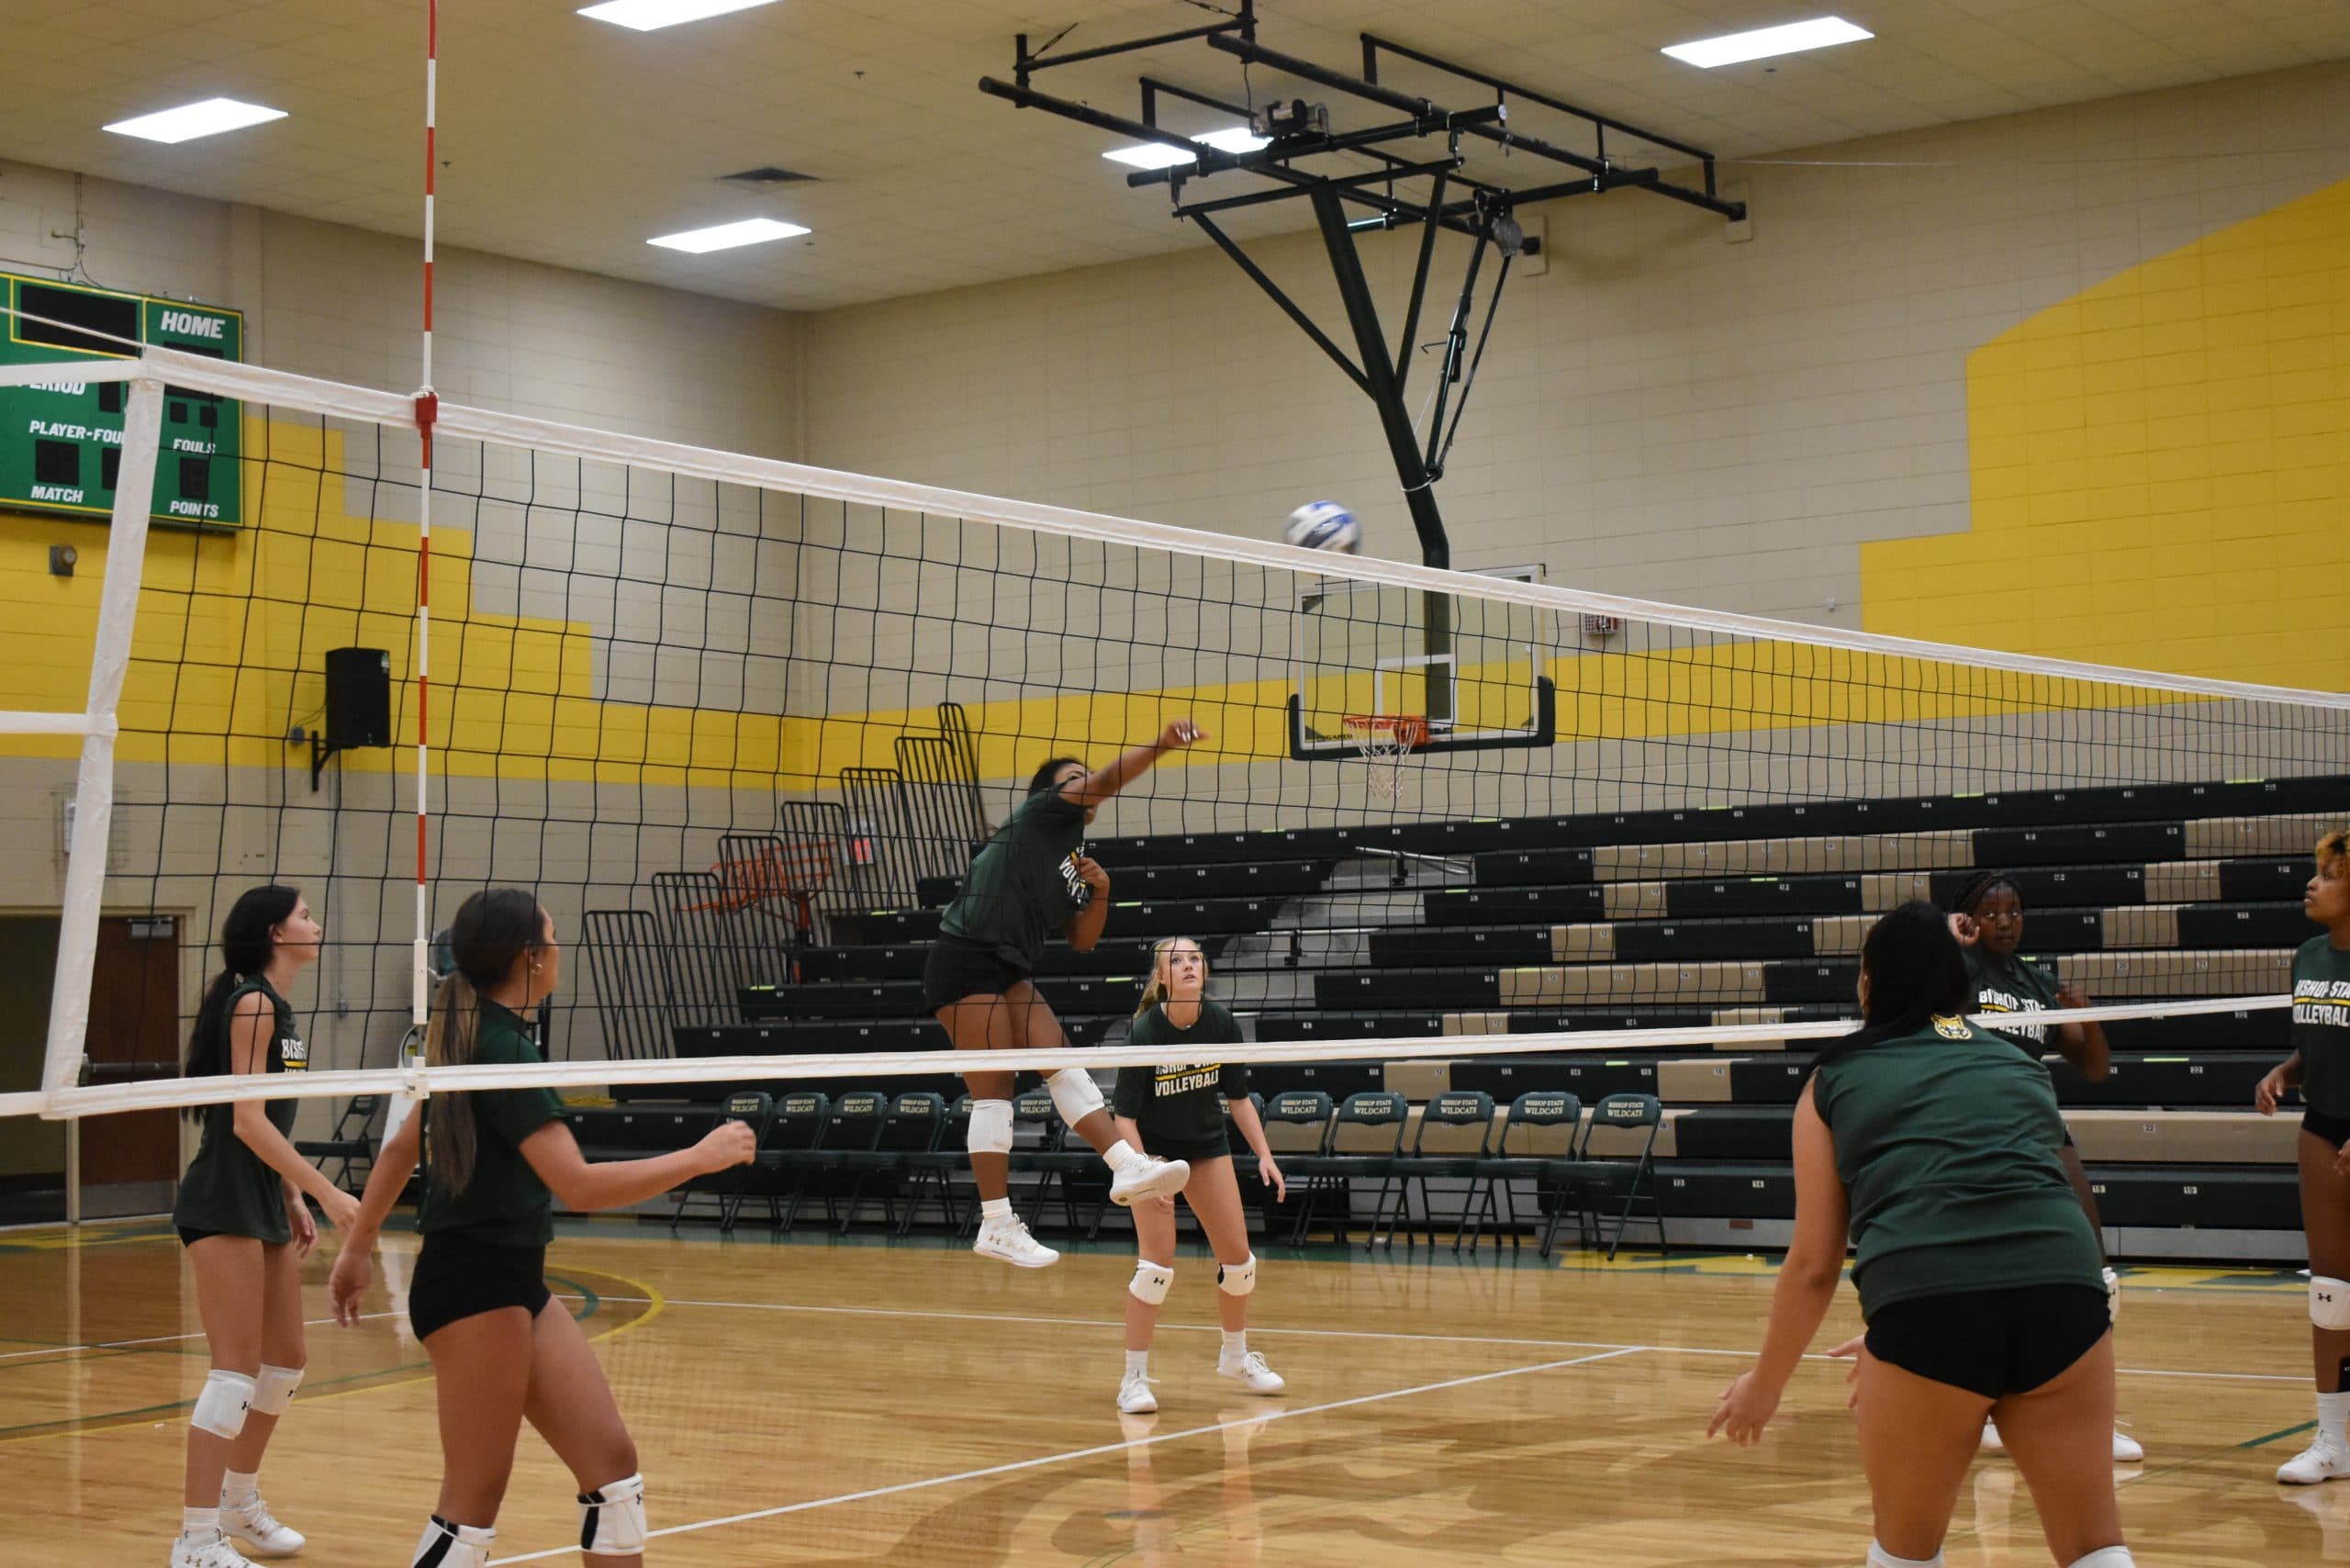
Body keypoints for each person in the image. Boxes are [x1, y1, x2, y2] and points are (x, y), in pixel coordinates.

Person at [328, 888, 755, 1568]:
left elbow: (404, 1146)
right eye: (552, 939)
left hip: (512, 1280)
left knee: (612, 1471)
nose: (560, 952)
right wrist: (700, 1158)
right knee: (470, 1511)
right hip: (473, 1289)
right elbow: (577, 1185)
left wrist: (354, 1252)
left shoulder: (476, 1038)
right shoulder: (502, 1053)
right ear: (530, 958)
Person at [1708, 902, 2133, 1568]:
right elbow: (2014, 1195)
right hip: (2066, 1295)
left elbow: (1816, 1262)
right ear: (1959, 987)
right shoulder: (2019, 1066)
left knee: (1906, 1550)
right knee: (2093, 1548)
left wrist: (1769, 1382)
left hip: (1929, 1310)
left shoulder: (1833, 1078)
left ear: (1870, 984)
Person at [926, 722, 1207, 1268]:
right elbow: (1104, 780)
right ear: (1051, 794)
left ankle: (1126, 1164)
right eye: (1072, 778)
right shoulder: (1039, 817)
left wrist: (1100, 891)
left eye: (1084, 776)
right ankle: (996, 1222)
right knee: (995, 1090)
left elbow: (1082, 939)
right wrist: (1161, 745)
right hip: (964, 955)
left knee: (1062, 1062)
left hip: (1005, 965)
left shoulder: (1071, 857)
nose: (1085, 783)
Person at [169, 885, 362, 1568]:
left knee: (284, 1364)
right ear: (276, 933)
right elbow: (245, 1121)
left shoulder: (283, 1012)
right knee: (234, 1375)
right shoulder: (251, 1002)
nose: (316, 923)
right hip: (222, 1198)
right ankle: (194, 1541)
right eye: (306, 914)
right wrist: (331, 1194)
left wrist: (290, 1193)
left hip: (260, 1195)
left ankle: (235, 1501)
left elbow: (265, 1115)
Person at [1945, 870, 2138, 1462]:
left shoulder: (2036, 982)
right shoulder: (1956, 969)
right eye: (1992, 910)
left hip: (2037, 1121)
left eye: (2015, 911)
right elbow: (1908, 979)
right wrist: (1948, 939)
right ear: (1970, 917)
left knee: (2092, 1264)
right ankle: (1981, 1408)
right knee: (1982, 1273)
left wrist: (2086, 1015)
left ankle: (2089, 1413)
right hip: (1974, 1125)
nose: (2005, 921)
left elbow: (2094, 1068)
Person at [1109, 937, 1288, 1414]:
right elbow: (1122, 1117)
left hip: (1207, 1148)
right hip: (1156, 1154)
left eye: (1194, 959)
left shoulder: (1220, 1022)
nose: (1187, 965)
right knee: (1156, 1268)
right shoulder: (1145, 1031)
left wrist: (1265, 1154)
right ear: (1162, 976)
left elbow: (1239, 1098)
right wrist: (1147, 1174)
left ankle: (1235, 1356)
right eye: (1177, 960)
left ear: (1203, 971)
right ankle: (1133, 1379)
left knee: (1240, 1261)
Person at [2256, 830, 2350, 1485]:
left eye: (2330, 875)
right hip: (2323, 1130)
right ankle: (2333, 1440)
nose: (2312, 884)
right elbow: (2321, 1041)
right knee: (2331, 1293)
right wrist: (2286, 1072)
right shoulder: (2308, 956)